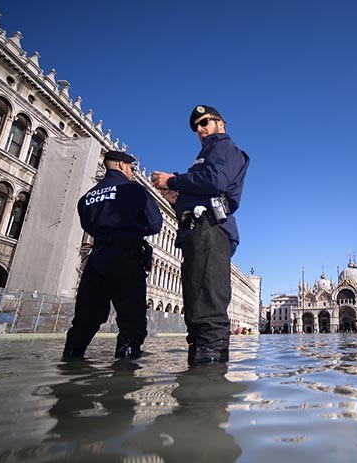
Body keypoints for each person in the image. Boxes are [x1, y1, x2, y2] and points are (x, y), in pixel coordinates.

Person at [151, 104, 249, 365]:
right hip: (197, 232)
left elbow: (215, 181)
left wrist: (172, 181)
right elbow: (204, 189)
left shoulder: (223, 147)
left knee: (207, 305)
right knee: (195, 308)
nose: (200, 129)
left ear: (221, 123)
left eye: (205, 122)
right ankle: (197, 374)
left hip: (211, 231)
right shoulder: (205, 156)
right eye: (196, 127)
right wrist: (176, 198)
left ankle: (208, 380)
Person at [63, 150, 163, 360]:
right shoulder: (134, 190)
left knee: (84, 320)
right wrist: (134, 229)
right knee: (131, 322)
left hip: (97, 260)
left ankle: (71, 360)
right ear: (120, 165)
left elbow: (87, 225)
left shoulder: (86, 198)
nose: (133, 173)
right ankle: (124, 373)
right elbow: (155, 224)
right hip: (126, 258)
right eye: (131, 168)